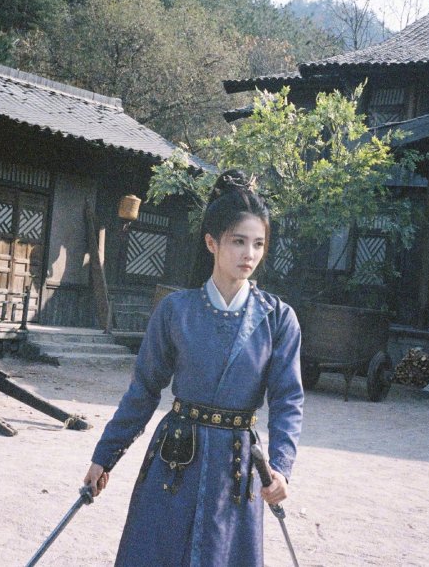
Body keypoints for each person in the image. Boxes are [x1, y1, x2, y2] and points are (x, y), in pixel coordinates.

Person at [84, 169, 304, 566]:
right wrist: (105, 455)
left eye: (258, 243)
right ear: (211, 242)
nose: (249, 254)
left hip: (235, 469)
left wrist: (281, 466)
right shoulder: (175, 311)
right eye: (238, 241)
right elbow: (143, 390)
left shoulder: (278, 318)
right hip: (175, 461)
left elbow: (288, 400)